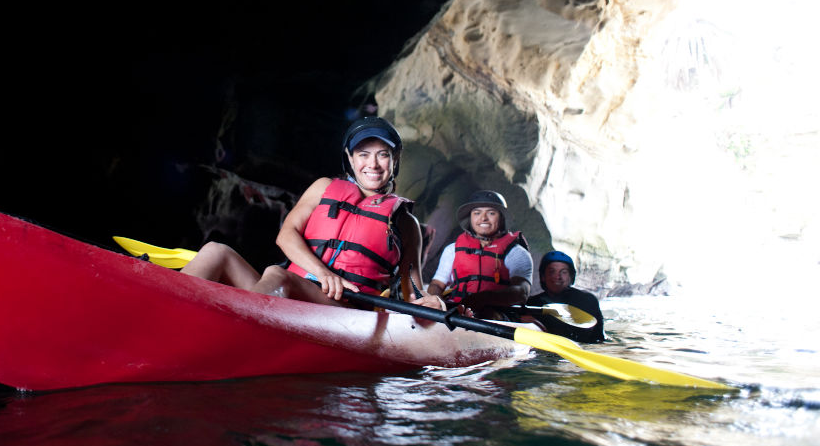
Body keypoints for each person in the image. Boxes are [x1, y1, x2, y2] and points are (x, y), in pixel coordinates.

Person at [180, 116, 429, 308]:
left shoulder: (406, 223)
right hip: (291, 291)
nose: (372, 164)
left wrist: (429, 301)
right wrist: (323, 273)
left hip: (343, 309)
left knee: (277, 275)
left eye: (382, 155)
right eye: (363, 154)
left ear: (394, 159)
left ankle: (232, 328)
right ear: (351, 160)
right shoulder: (323, 187)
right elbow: (286, 235)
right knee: (216, 251)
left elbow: (414, 292)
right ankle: (167, 309)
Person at [422, 191, 533, 319]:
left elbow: (522, 292)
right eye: (477, 213)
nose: (483, 218)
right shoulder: (452, 250)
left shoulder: (516, 253)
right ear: (470, 218)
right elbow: (436, 285)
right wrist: (437, 302)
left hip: (498, 315)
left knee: (487, 314)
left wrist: (483, 298)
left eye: (491, 213)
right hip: (455, 312)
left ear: (501, 218)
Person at [527, 250, 605, 343]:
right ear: (543, 276)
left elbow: (596, 336)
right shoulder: (532, 303)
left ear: (571, 276)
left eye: (563, 272)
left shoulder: (587, 300)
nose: (558, 277)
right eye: (552, 272)